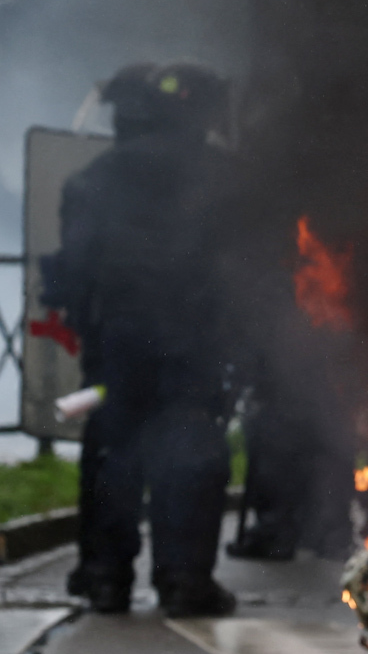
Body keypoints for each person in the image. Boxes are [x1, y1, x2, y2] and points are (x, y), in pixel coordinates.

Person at [40, 63, 242, 616]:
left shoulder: (92, 179)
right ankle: (184, 581)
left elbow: (74, 269)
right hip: (196, 347)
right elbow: (247, 272)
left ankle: (105, 577)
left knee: (112, 451)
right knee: (192, 454)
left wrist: (92, 328)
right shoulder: (227, 180)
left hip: (117, 347)